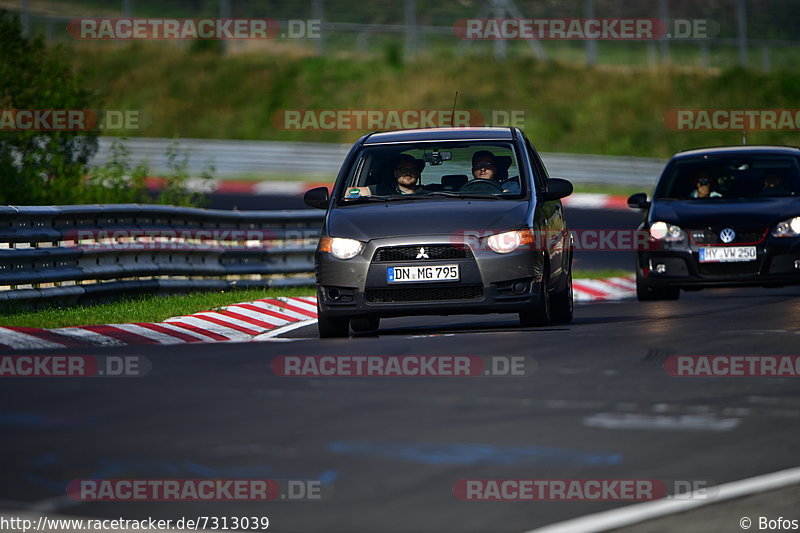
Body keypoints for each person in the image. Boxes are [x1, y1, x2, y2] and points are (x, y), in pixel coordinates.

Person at [347, 154, 424, 197]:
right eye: (403, 170)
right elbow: (350, 192)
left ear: (418, 173)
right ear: (395, 173)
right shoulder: (382, 190)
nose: (408, 173)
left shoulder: (430, 192)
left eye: (413, 170)